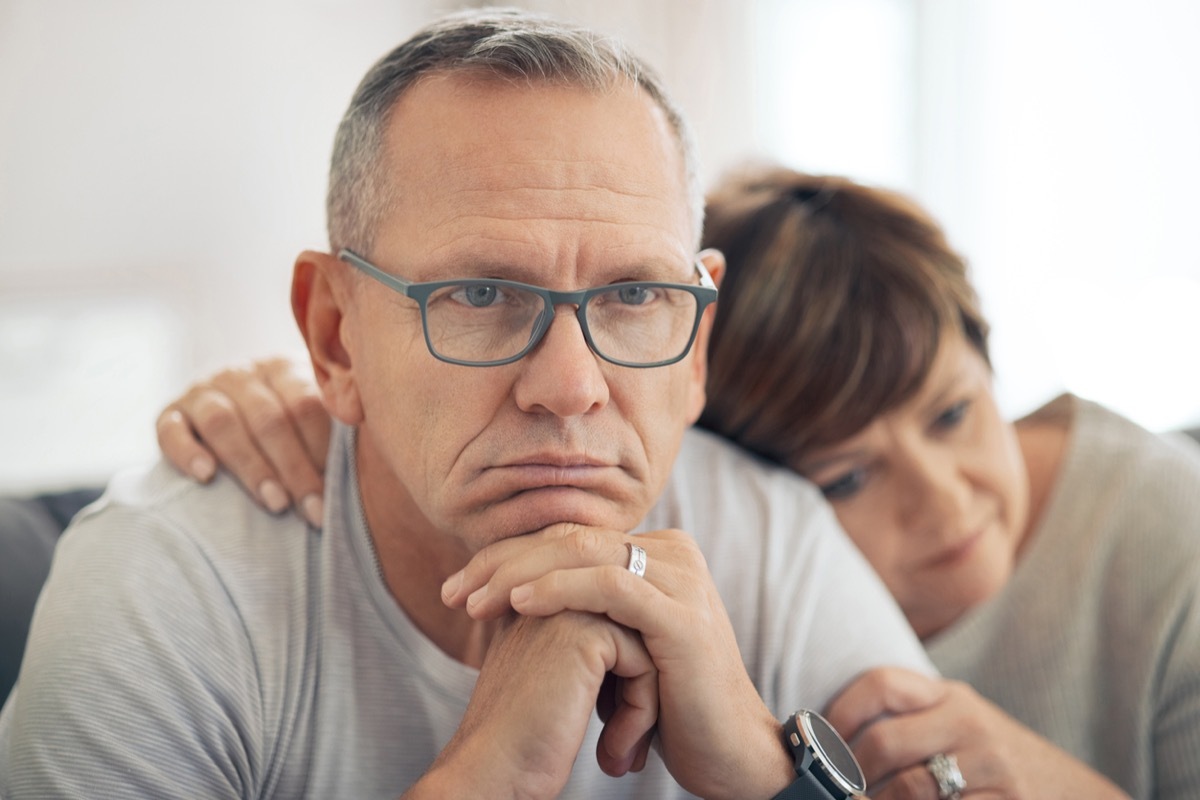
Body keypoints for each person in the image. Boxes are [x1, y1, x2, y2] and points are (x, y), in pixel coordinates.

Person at [0, 11, 935, 799]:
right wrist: (486, 775)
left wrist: (768, 771)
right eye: (482, 296)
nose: (571, 388)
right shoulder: (165, 591)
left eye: (635, 297)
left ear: (698, 344)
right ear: (336, 337)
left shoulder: (771, 544)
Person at [160, 166, 1200, 800]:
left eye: (953, 411)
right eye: (845, 477)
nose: (944, 497)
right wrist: (314, 396)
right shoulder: (742, 541)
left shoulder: (1170, 533)